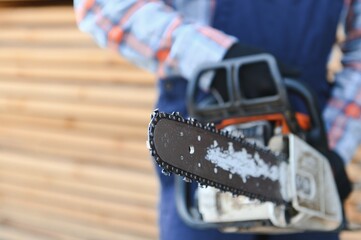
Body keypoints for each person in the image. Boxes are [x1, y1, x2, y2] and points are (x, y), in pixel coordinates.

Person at [74, 1, 361, 239]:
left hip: (307, 128)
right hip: (204, 124)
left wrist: (332, 151)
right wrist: (214, 57)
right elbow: (99, 7)